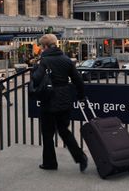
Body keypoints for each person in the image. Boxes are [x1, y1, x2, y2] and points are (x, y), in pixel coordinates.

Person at [31, 34, 88, 171]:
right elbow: (78, 80)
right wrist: (81, 96)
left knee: (47, 133)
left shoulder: (44, 60)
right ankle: (80, 157)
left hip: (49, 101)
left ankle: (50, 163)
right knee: (63, 130)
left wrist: (35, 68)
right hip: (64, 99)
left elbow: (37, 79)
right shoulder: (66, 59)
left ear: (44, 46)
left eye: (41, 46)